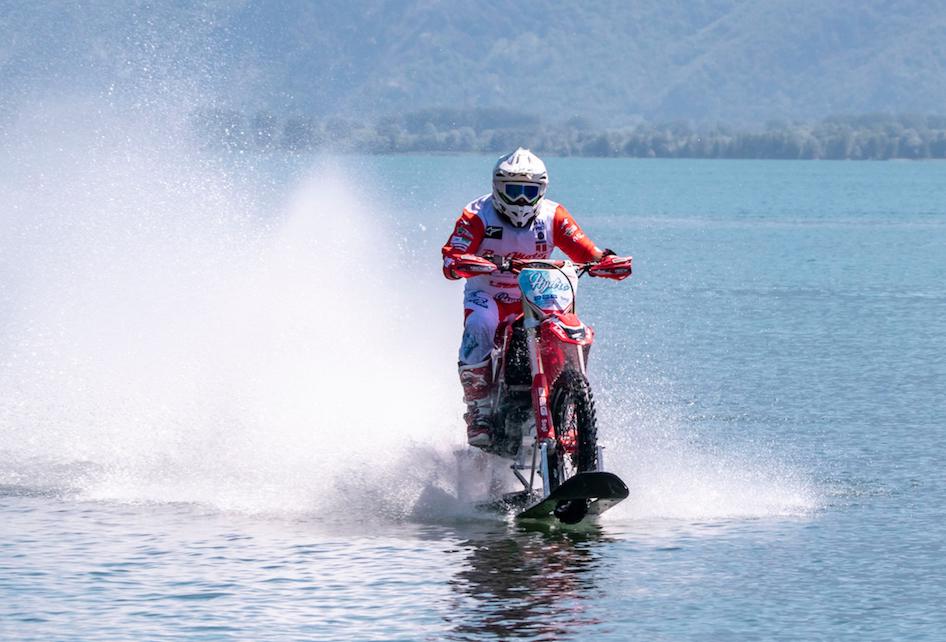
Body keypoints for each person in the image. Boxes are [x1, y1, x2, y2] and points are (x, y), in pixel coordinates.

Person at [441, 147, 631, 447]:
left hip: (538, 294)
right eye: (512, 190)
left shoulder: (554, 215)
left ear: (542, 190)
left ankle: (570, 401)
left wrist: (605, 261)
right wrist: (460, 262)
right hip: (487, 294)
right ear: (497, 188)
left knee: (570, 328)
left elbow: (586, 250)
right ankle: (479, 410)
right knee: (480, 325)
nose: (520, 200)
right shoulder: (476, 214)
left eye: (528, 191)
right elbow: (453, 254)